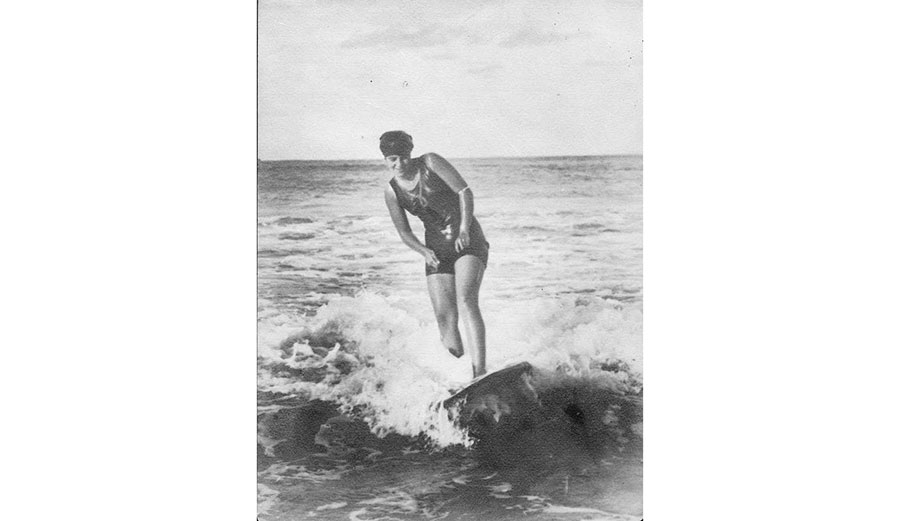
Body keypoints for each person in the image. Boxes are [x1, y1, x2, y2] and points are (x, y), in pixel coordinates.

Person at [380, 131, 490, 378]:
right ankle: (459, 376)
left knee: (466, 300)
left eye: (405, 157)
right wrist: (423, 251)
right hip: (436, 249)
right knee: (445, 320)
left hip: (467, 239)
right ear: (386, 160)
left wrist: (463, 228)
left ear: (411, 154)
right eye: (393, 159)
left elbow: (464, 192)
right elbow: (404, 232)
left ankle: (480, 372)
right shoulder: (391, 191)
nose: (400, 164)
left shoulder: (430, 162)